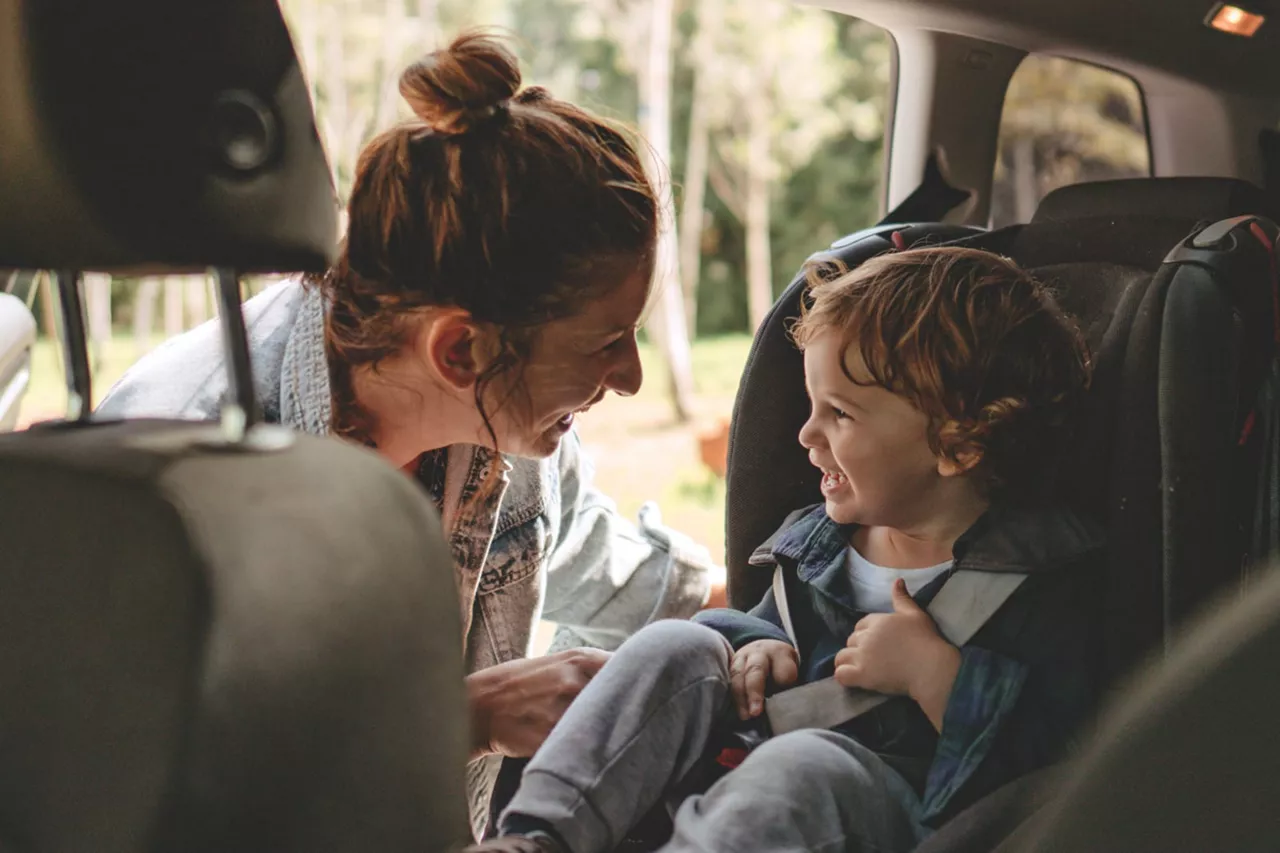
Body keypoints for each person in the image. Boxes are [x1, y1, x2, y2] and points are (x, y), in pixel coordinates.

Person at [95, 31, 722, 836]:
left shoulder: (501, 420)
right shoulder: (189, 465)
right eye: (605, 342)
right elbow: (144, 782)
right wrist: (466, 718)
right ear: (461, 348)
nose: (631, 377)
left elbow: (589, 556)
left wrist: (782, 609)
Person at [472, 246, 1106, 853]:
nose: (807, 435)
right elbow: (764, 637)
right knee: (680, 643)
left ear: (959, 445)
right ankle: (538, 836)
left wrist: (936, 677)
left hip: (898, 819)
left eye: (841, 415)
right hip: (749, 787)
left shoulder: (1039, 581)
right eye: (812, 408)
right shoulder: (818, 545)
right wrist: (750, 643)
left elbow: (1063, 774)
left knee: (804, 766)